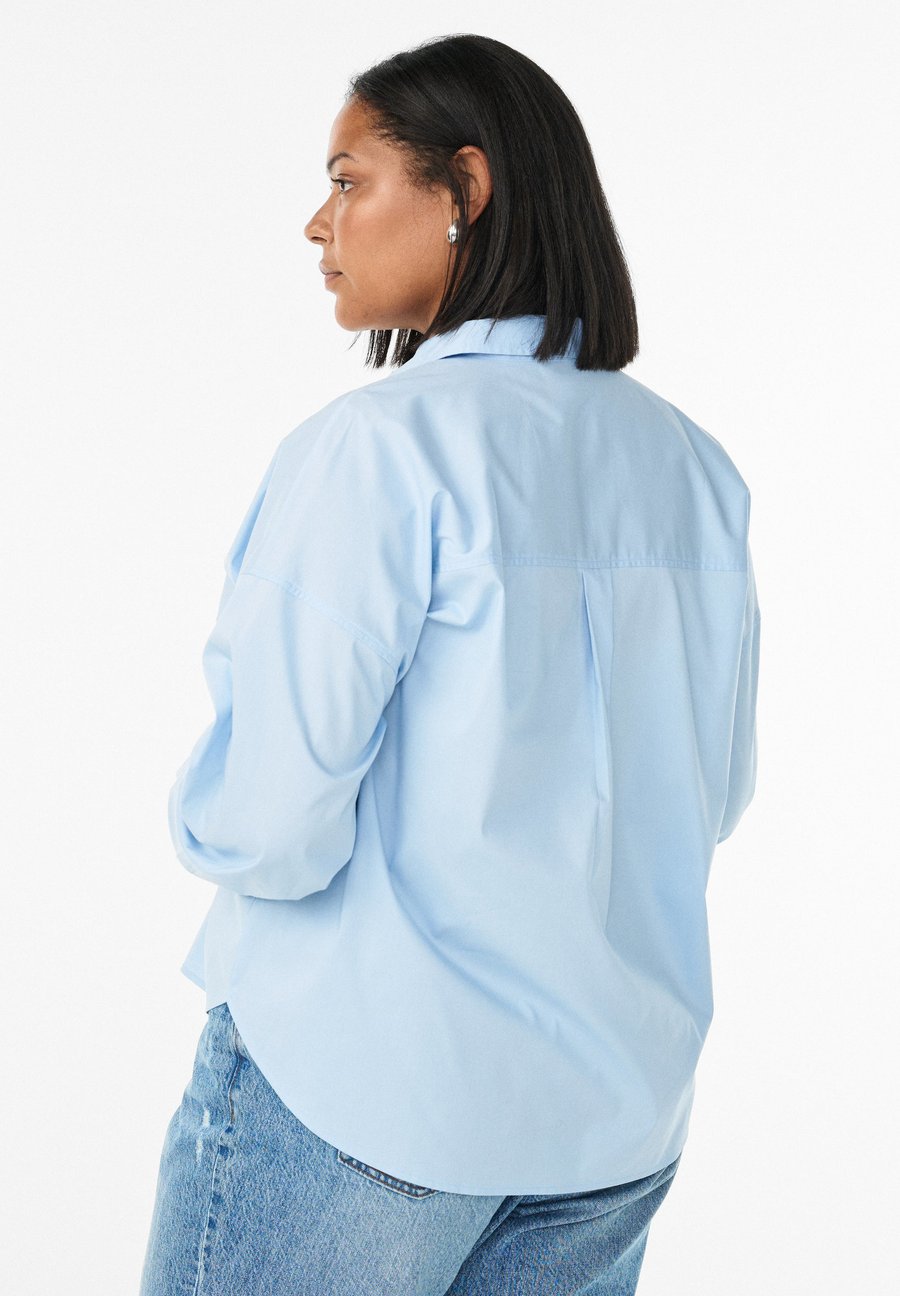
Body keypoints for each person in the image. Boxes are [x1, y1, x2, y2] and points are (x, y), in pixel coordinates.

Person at [139, 32, 760, 1296]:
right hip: (608, 1118)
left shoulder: (381, 449)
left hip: (367, 1095)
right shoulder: (693, 468)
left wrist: (202, 822)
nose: (318, 223)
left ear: (465, 187)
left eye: (349, 179)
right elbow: (716, 791)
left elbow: (270, 819)